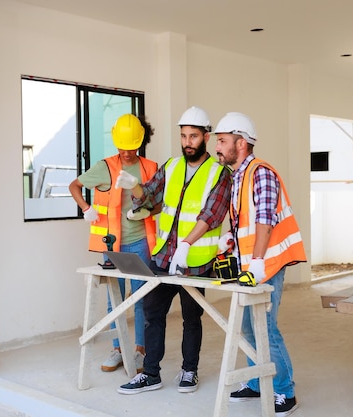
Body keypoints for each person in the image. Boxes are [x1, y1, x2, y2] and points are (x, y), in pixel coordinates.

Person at [115, 106, 232, 395]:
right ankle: (151, 373)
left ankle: (189, 371)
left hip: (196, 261)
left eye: (193, 136)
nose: (187, 142)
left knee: (192, 318)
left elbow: (212, 215)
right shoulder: (171, 167)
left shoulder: (219, 173)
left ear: (205, 137)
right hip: (163, 258)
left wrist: (187, 245)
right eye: (183, 136)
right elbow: (149, 199)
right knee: (153, 314)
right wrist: (136, 189)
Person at [213, 112, 307, 417]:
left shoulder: (261, 172)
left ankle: (285, 391)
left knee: (265, 327)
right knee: (247, 326)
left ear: (241, 143)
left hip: (267, 263)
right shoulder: (239, 174)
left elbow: (266, 219)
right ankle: (256, 381)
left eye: (223, 141)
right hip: (252, 264)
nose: (218, 146)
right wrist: (231, 238)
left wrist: (255, 261)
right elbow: (248, 220)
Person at [69, 113, 159, 374]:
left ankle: (141, 351)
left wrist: (148, 211)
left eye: (131, 146)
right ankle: (118, 349)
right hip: (114, 246)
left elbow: (161, 203)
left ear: (140, 142)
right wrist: (86, 208)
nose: (126, 152)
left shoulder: (150, 168)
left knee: (144, 299)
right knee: (115, 301)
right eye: (122, 146)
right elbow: (74, 185)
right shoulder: (105, 167)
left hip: (142, 242)